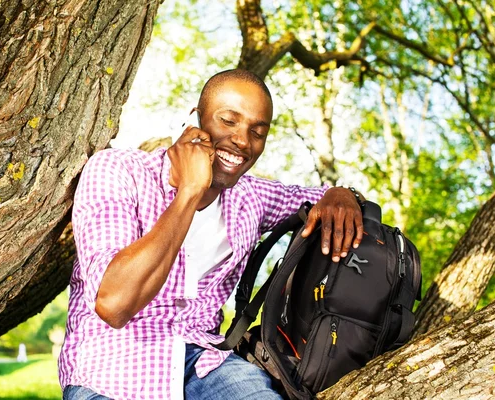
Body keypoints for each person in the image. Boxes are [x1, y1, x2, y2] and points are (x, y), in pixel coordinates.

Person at [59, 69, 365, 400]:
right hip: (110, 370)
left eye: (257, 132)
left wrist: (342, 193)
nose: (243, 142)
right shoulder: (118, 171)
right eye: (229, 121)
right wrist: (189, 192)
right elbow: (114, 304)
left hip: (205, 364)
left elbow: (321, 199)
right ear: (195, 119)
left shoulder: (251, 196)